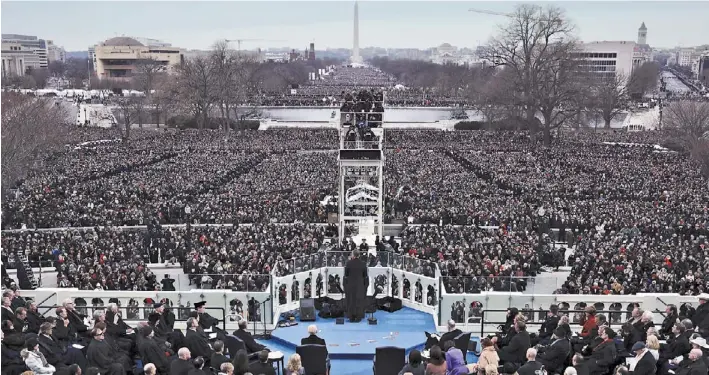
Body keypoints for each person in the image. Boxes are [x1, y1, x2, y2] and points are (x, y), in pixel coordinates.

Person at [343, 249, 368, 322]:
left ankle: (351, 317)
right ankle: (358, 317)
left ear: (353, 255)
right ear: (359, 255)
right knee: (359, 301)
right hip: (360, 285)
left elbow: (346, 274)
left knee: (351, 301)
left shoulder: (348, 263)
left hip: (350, 285)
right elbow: (365, 275)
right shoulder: (363, 264)